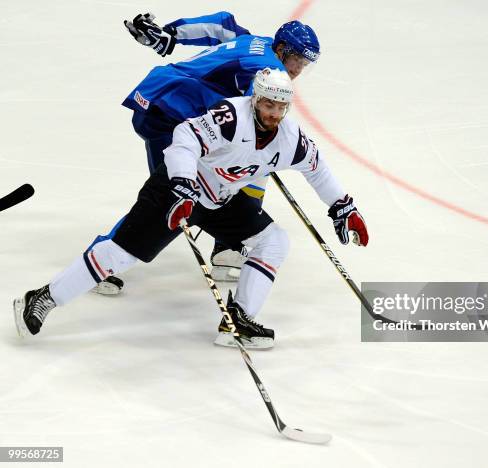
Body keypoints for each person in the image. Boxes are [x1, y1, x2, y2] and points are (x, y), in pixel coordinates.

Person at [13, 69, 368, 350]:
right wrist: (182, 184)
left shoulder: (290, 138)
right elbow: (185, 137)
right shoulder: (230, 117)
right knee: (120, 255)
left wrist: (343, 207)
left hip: (220, 199)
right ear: (255, 99)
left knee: (274, 241)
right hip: (176, 189)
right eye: (267, 105)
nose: (273, 113)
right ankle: (43, 298)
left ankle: (238, 319)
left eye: (280, 107)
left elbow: (318, 169)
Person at [92, 12, 321, 296]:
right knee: (166, 195)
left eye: (305, 63)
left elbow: (221, 26)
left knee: (234, 176)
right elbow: (252, 118)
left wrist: (170, 35)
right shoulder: (266, 68)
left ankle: (226, 246)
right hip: (168, 111)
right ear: (282, 50)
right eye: (296, 60)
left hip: (172, 105)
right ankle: (101, 257)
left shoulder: (257, 43)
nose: (298, 69)